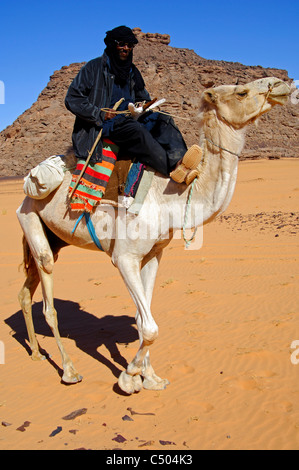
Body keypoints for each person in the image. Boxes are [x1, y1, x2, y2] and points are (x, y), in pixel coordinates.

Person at [65, 25, 202, 185]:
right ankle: (171, 171)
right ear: (112, 44)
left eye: (130, 45)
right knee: (137, 132)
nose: (126, 48)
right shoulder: (93, 68)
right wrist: (100, 114)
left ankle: (181, 163)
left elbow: (142, 97)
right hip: (104, 126)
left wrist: (143, 107)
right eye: (121, 44)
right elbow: (72, 99)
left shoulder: (131, 71)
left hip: (130, 119)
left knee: (163, 119)